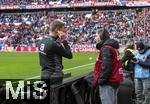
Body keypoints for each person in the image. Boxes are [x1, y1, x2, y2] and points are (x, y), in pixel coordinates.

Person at [38, 20, 73, 85]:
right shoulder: (54, 44)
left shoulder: (41, 41)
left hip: (44, 75)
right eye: (62, 30)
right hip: (54, 76)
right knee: (55, 95)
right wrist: (64, 40)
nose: (63, 32)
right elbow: (69, 55)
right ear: (57, 30)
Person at [94, 27, 123, 104]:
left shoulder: (106, 48)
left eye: (96, 36)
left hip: (108, 82)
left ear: (101, 36)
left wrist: (101, 80)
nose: (95, 38)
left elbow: (107, 66)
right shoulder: (113, 47)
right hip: (115, 80)